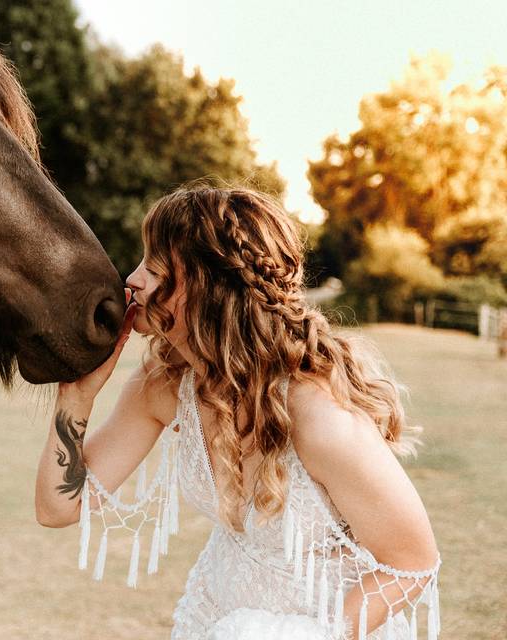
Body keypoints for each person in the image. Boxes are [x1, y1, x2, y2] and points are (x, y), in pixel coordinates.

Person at [34, 185, 440, 640]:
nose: (132, 279)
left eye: (154, 266)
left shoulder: (317, 414)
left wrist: (301, 635)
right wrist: (76, 398)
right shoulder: (165, 383)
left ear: (212, 288)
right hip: (211, 617)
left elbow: (412, 562)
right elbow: (58, 508)